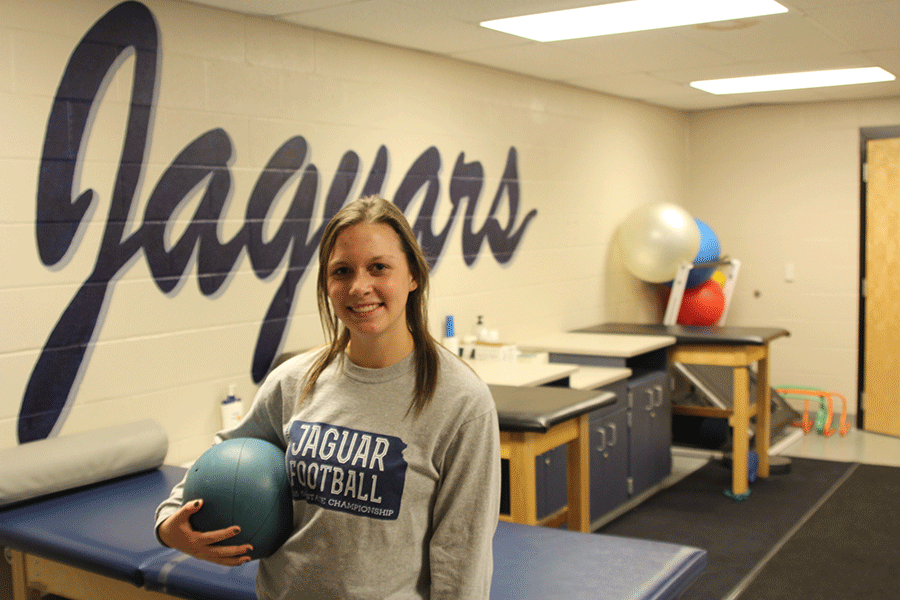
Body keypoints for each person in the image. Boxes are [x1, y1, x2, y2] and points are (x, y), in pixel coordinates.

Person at [155, 195, 501, 600]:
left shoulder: (461, 401)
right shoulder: (292, 382)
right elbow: (224, 457)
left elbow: (462, 553)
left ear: (413, 276)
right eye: (341, 271)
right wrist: (168, 526)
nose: (359, 287)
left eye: (379, 268)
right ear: (327, 283)